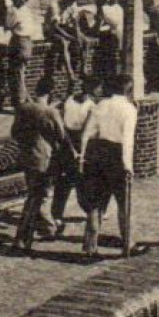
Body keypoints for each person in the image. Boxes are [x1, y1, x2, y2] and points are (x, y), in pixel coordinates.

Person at [78, 75, 139, 259]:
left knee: (95, 203)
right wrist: (128, 166)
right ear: (128, 90)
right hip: (117, 155)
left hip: (97, 154)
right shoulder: (129, 109)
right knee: (123, 203)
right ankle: (127, 244)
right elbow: (127, 140)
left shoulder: (99, 106)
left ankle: (90, 246)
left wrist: (82, 159)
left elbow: (85, 135)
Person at [10, 79, 68, 254]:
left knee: (38, 194)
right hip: (44, 159)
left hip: (27, 157)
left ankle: (49, 228)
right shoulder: (50, 112)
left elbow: (15, 133)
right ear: (50, 93)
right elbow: (61, 135)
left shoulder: (23, 108)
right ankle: (22, 237)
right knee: (36, 197)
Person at [51, 82, 95, 238]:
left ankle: (87, 210)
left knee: (74, 181)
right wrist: (77, 151)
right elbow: (65, 127)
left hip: (73, 143)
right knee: (71, 181)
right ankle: (59, 213)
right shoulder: (77, 103)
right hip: (72, 143)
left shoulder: (83, 103)